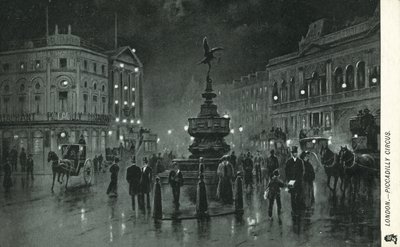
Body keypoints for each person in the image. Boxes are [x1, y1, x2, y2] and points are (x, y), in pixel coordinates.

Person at [284, 146, 304, 216]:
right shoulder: (289, 162)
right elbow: (286, 171)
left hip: (298, 181)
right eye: (293, 153)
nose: (294, 154)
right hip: (291, 181)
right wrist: (289, 180)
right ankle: (294, 210)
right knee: (292, 196)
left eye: (295, 153)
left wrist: (299, 179)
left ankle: (297, 210)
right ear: (292, 154)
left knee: (298, 196)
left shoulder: (300, 161)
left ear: (297, 153)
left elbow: (301, 171)